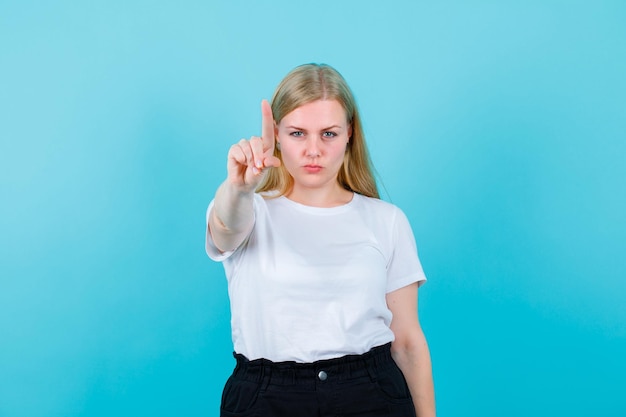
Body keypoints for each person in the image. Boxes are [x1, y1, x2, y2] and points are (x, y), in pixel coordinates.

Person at [205, 63, 435, 417]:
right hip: (267, 398)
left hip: (370, 395)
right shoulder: (249, 211)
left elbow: (406, 341)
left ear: (349, 134)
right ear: (277, 134)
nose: (313, 150)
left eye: (328, 133)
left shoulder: (387, 221)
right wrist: (237, 188)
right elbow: (225, 225)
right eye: (298, 133)